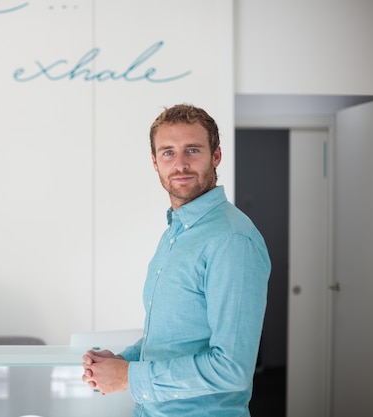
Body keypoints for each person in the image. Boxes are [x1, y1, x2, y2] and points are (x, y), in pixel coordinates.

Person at [82, 104, 271, 416]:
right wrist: (120, 361)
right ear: (155, 163)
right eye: (168, 152)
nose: (180, 164)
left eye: (192, 150)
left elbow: (231, 368)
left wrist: (128, 377)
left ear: (216, 156)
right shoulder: (177, 231)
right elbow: (172, 339)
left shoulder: (231, 240)